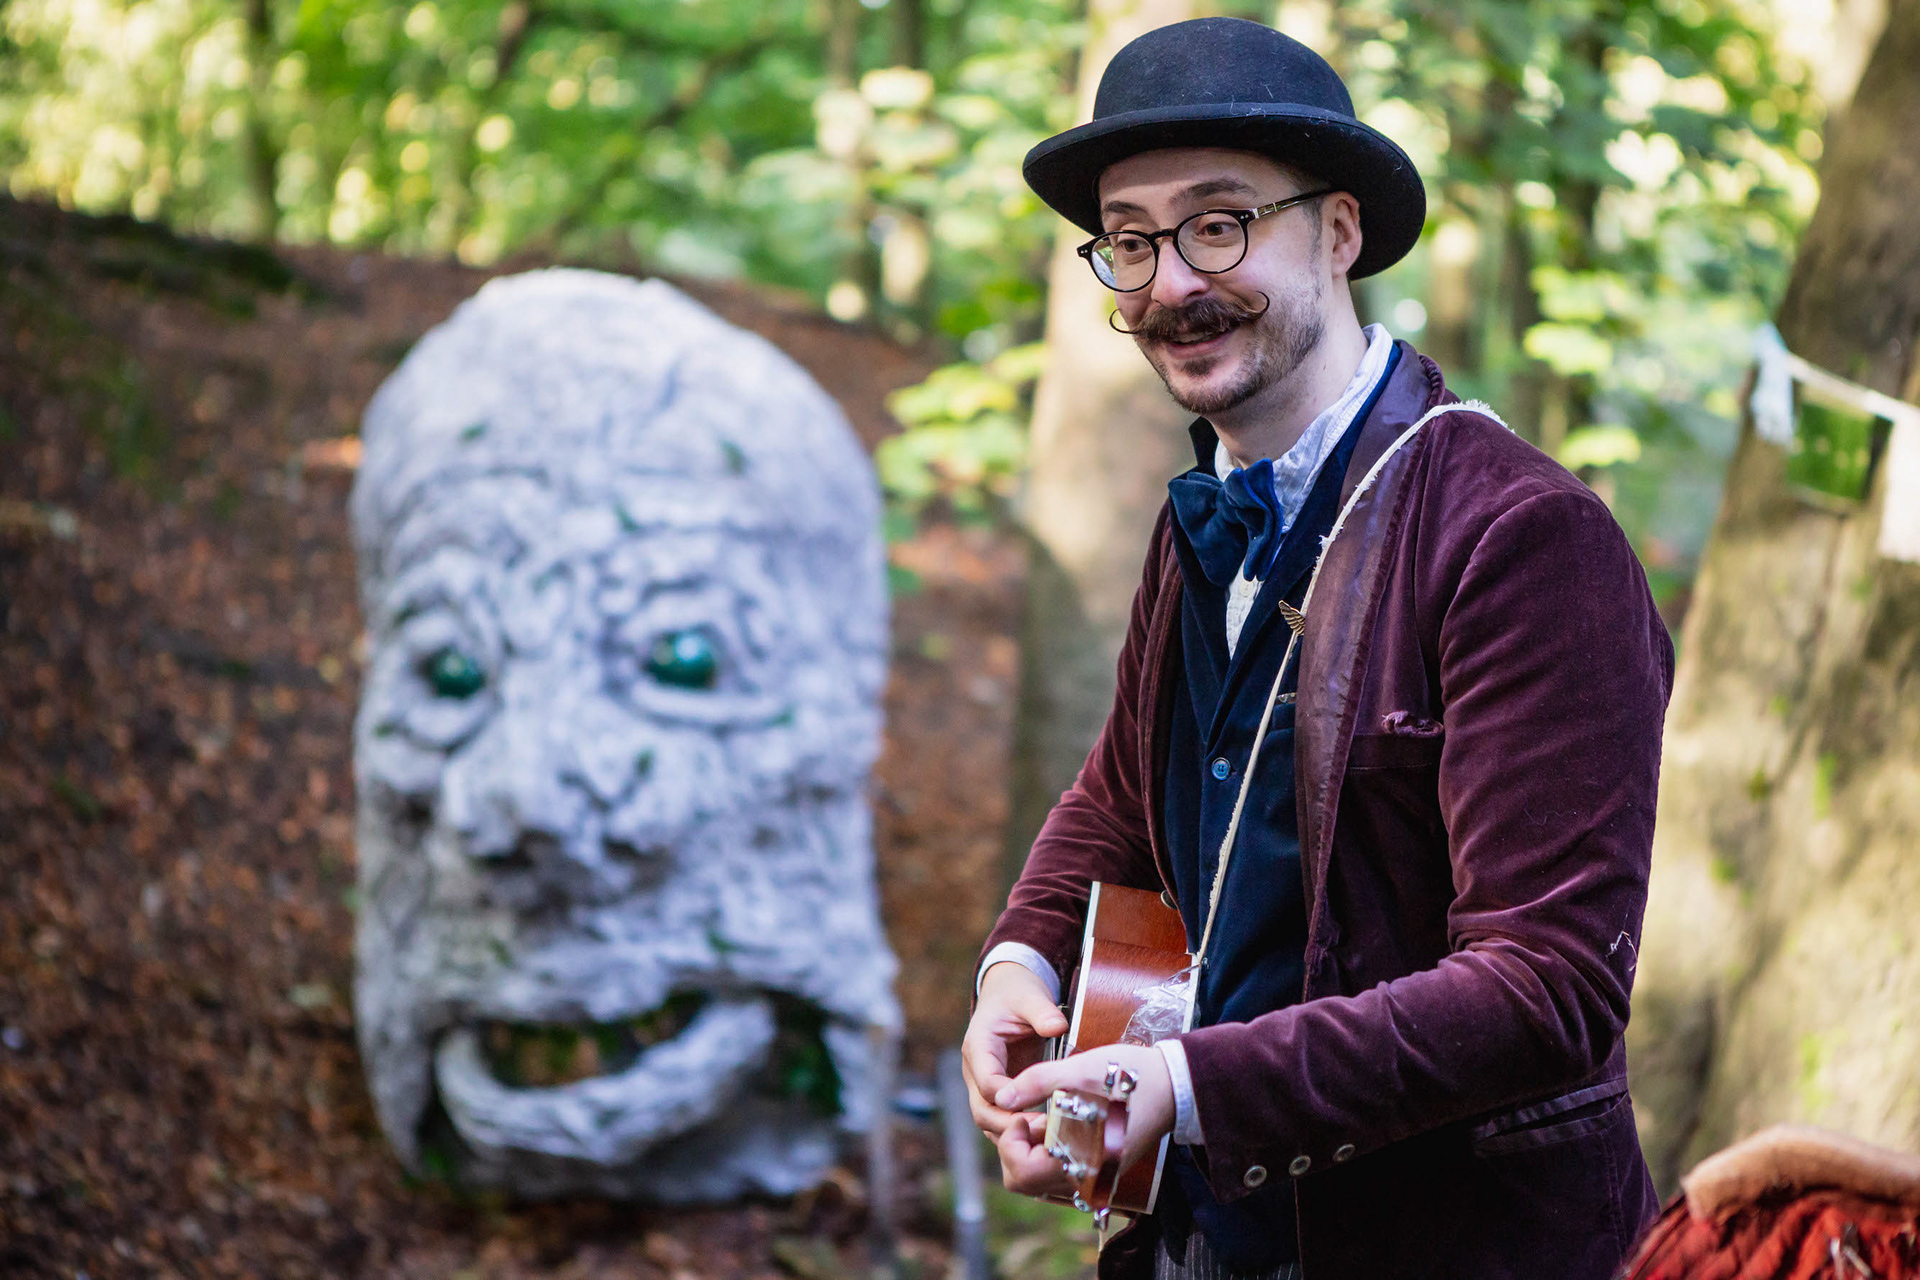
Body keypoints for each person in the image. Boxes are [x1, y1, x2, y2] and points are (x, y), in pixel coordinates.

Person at [961, 17, 1674, 1280]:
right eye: (1131, 239)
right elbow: (1121, 794)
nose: (1169, 282)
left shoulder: (1525, 535)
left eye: (1219, 222)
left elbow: (1548, 984)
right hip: (1195, 1239)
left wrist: (1185, 1085)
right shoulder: (1202, 515)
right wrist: (1018, 959)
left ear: (1339, 233)